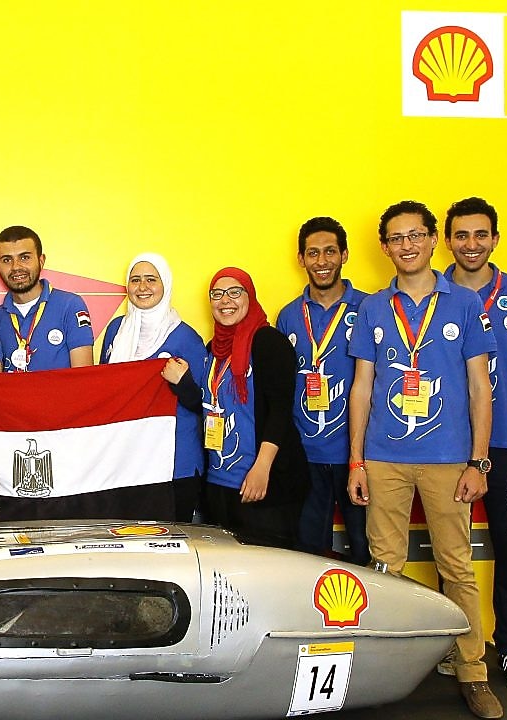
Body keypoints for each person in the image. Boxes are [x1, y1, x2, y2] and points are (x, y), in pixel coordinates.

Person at [346, 200, 501, 719]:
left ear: (433, 239)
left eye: (415, 235)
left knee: (456, 567)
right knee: (383, 567)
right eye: (396, 238)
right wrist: (356, 462)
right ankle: (382, 674)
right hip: (384, 458)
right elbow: (362, 389)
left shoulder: (461, 303)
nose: (406, 245)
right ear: (385, 246)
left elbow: (481, 388)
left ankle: (473, 670)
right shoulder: (372, 307)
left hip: (448, 460)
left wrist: (478, 462)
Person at [444, 196, 507, 690]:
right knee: (451, 553)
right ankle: (458, 650)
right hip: (445, 445)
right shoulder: (431, 292)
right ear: (448, 240)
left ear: (495, 239)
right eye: (461, 235)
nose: (471, 244)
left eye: (480, 234)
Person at [163, 268, 308, 545]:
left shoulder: (269, 342)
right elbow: (208, 406)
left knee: (267, 571)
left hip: (263, 483)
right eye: (217, 294)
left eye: (234, 292)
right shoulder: (213, 350)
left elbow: (280, 409)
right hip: (220, 483)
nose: (225, 300)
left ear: (249, 297)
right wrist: (183, 384)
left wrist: (262, 468)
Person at [274, 217, 370, 565]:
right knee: (309, 556)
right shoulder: (287, 316)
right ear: (301, 259)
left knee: (365, 551)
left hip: (357, 455)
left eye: (330, 252)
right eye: (313, 253)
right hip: (306, 455)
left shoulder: (369, 308)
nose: (322, 261)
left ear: (344, 255)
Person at [99, 253, 203, 522]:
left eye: (150, 279)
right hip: (125, 458)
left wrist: (183, 383)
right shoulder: (115, 331)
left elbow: (203, 404)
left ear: (165, 284)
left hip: (173, 462)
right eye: (135, 280)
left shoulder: (186, 337)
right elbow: (103, 387)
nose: (142, 287)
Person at [0, 225, 95, 372]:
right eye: (7, 260)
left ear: (41, 260)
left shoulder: (70, 306)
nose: (16, 267)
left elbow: (84, 377)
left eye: (25, 257)